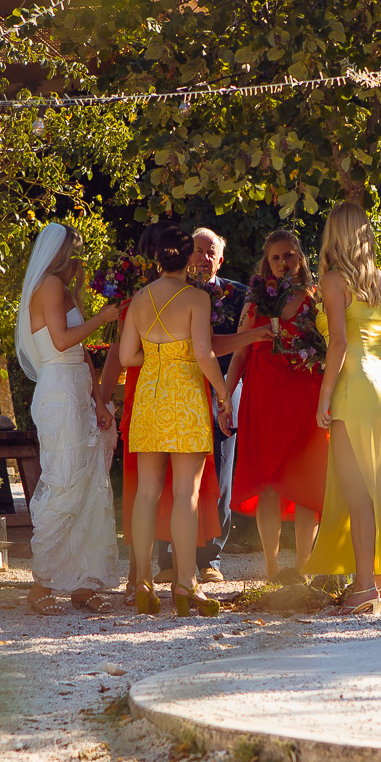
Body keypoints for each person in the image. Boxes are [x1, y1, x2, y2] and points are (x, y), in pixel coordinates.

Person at [302, 202, 381, 615]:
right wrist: (375, 355)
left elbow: (338, 343)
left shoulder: (334, 280)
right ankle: (379, 581)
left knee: (357, 489)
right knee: (379, 484)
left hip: (353, 383)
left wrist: (324, 394)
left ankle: (365, 585)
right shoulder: (378, 281)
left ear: (334, 234)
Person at [119, 224, 233, 616]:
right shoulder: (196, 298)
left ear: (157, 259)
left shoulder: (138, 299)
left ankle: (142, 583)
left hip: (150, 397)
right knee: (186, 493)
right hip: (184, 398)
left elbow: (126, 358)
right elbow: (204, 354)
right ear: (187, 258)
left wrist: (157, 361)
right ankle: (186, 583)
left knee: (147, 493)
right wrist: (221, 395)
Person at [15, 222, 125, 616]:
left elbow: (84, 353)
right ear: (62, 253)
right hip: (59, 392)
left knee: (89, 484)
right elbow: (62, 341)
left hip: (78, 389)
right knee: (64, 481)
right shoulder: (48, 286)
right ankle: (42, 581)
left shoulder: (64, 289)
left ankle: (81, 582)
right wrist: (103, 316)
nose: (80, 259)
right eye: (75, 251)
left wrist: (99, 400)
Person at [224, 229, 325, 582]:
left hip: (305, 396)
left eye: (289, 256)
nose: (283, 263)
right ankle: (271, 567)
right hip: (264, 397)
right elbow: (239, 352)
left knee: (304, 482)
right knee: (267, 482)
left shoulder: (318, 298)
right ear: (267, 263)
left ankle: (302, 569)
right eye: (276, 258)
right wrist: (225, 398)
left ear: (301, 259)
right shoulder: (255, 301)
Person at [159, 225, 245, 585]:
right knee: (170, 475)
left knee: (220, 471)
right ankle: (167, 559)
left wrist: (225, 392)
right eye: (197, 250)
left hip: (222, 386)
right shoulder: (168, 291)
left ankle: (211, 558)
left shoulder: (239, 296)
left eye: (211, 252)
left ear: (220, 260)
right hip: (177, 389)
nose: (203, 257)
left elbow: (239, 345)